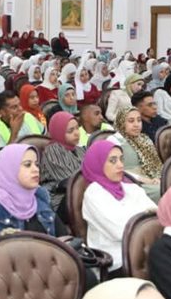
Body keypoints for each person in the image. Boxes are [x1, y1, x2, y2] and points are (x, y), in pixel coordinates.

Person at [81, 139, 157, 268]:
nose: (120, 165)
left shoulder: (131, 188)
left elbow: (158, 218)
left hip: (146, 249)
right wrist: (143, 215)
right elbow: (120, 231)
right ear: (98, 164)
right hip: (116, 259)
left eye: (121, 159)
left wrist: (141, 218)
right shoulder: (94, 193)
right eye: (113, 161)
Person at [0, 143, 66, 247]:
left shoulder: (40, 197)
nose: (36, 169)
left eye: (36, 164)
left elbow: (64, 239)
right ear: (10, 168)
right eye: (27, 165)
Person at [112, 106, 162, 201]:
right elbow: (113, 169)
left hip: (150, 180)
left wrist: (156, 178)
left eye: (139, 120)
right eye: (131, 121)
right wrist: (143, 179)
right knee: (160, 190)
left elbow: (155, 165)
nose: (136, 125)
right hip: (128, 183)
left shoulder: (144, 139)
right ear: (121, 122)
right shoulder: (115, 140)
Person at [39, 111, 83, 214]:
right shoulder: (53, 150)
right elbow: (72, 181)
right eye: (70, 131)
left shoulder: (79, 149)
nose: (76, 133)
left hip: (80, 194)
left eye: (77, 128)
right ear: (59, 132)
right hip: (60, 199)